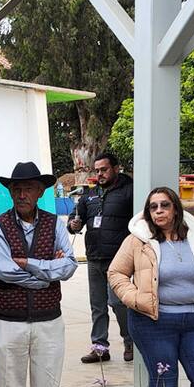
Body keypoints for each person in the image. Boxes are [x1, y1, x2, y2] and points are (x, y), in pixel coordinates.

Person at [0, 161, 78, 387]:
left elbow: (69, 266)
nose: (21, 193)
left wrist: (29, 264)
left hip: (48, 320)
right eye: (16, 188)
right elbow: (2, 270)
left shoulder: (55, 224)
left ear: (40, 191)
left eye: (27, 188)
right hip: (8, 321)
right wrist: (45, 272)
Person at [108, 187, 194, 387]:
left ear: (176, 208)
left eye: (165, 205)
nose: (159, 210)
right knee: (165, 380)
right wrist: (135, 298)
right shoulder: (138, 240)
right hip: (153, 324)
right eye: (153, 206)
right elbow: (116, 272)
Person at [68, 152, 135, 363]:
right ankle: (100, 348)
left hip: (118, 260)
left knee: (118, 302)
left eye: (104, 169)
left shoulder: (130, 192)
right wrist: (73, 225)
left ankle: (130, 341)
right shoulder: (90, 196)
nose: (100, 174)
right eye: (97, 171)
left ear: (116, 168)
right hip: (94, 258)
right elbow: (73, 220)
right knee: (97, 305)